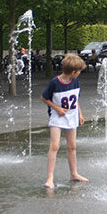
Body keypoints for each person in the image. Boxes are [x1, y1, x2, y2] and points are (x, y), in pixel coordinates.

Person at [41, 53, 88, 188]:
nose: (79, 74)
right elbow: (44, 98)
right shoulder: (55, 82)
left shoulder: (75, 81)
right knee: (54, 146)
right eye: (79, 71)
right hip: (58, 117)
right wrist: (57, 108)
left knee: (72, 146)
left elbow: (75, 98)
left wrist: (80, 113)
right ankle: (50, 177)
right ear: (73, 72)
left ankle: (74, 173)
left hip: (72, 116)